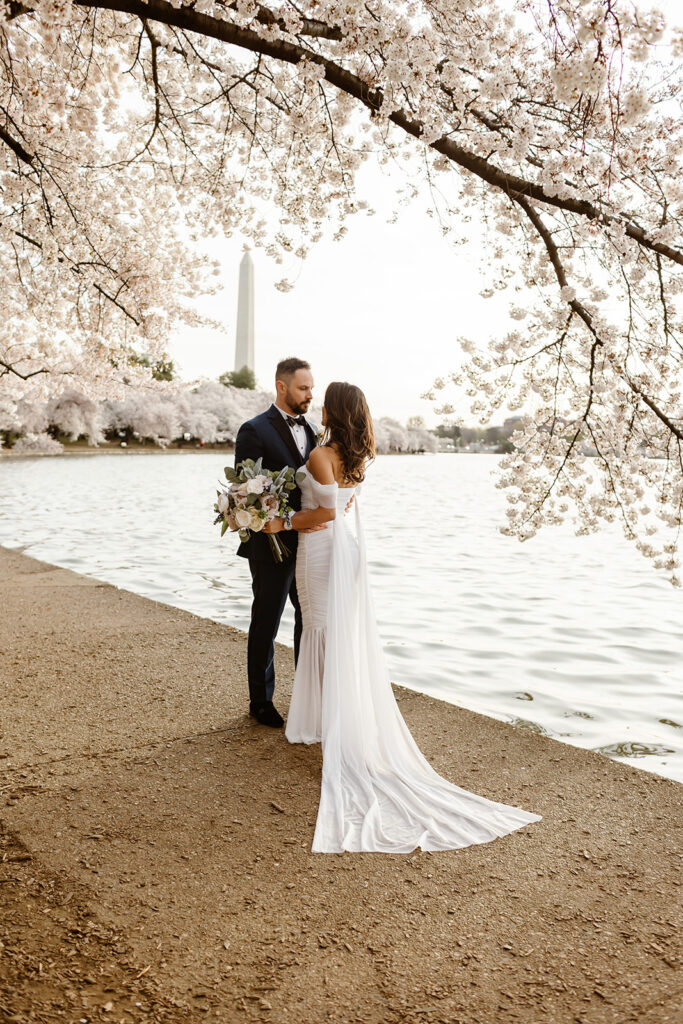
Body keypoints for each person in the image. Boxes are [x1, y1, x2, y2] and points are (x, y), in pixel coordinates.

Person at [264, 381, 542, 854]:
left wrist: (278, 523)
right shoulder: (353, 456)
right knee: (334, 635)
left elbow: (323, 517)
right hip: (344, 555)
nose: (322, 404)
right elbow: (341, 506)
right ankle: (327, 720)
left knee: (320, 631)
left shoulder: (319, 457)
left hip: (321, 553)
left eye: (326, 398)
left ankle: (330, 726)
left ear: (335, 409)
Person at [234, 357, 323, 728]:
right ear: (281, 386)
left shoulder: (314, 432)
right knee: (267, 620)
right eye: (303, 388)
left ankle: (307, 698)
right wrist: (266, 521)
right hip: (270, 545)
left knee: (308, 620)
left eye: (311, 388)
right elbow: (245, 490)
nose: (310, 395)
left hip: (310, 542)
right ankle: (261, 701)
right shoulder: (253, 429)